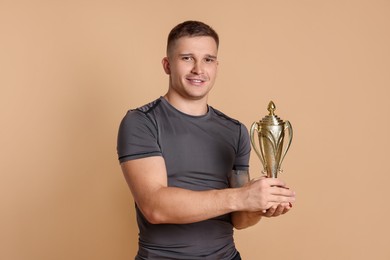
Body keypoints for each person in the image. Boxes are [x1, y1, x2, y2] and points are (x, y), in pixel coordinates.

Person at [117, 20, 296, 260]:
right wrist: (242, 197)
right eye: (187, 58)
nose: (199, 69)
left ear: (216, 66)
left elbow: (240, 219)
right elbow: (154, 207)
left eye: (208, 59)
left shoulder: (235, 130)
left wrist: (261, 204)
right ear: (167, 65)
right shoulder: (141, 122)